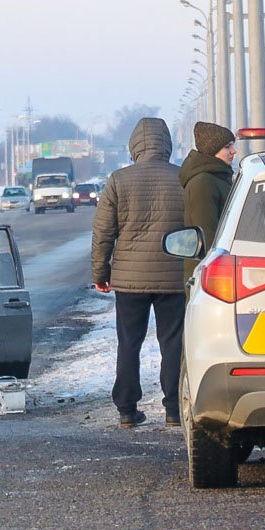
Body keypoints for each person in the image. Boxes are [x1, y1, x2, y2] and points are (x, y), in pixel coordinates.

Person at [91, 117, 185, 429]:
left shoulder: (119, 180)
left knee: (129, 342)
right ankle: (174, 410)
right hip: (173, 276)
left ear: (135, 146)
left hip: (130, 279)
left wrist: (100, 272)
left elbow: (104, 231)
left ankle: (127, 411)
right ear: (167, 145)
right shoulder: (182, 178)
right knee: (173, 342)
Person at [179, 121, 237, 280]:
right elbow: (207, 233)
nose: (234, 151)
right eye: (227, 147)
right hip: (208, 272)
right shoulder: (204, 182)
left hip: (218, 267)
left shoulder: (217, 177)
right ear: (212, 150)